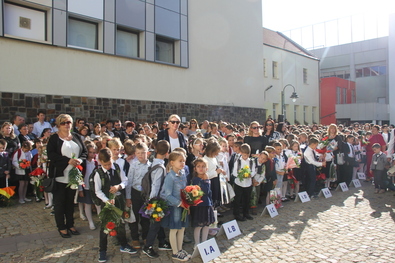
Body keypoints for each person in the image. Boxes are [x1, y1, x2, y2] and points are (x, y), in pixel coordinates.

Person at [47, 114, 87, 238]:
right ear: (59, 125)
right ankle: (61, 226)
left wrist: (80, 160)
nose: (66, 124)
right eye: (63, 122)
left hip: (73, 176)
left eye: (68, 122)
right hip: (60, 175)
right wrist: (67, 161)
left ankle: (70, 224)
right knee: (60, 202)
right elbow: (51, 155)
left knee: (70, 202)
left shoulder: (76, 137)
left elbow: (84, 152)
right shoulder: (54, 138)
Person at [93, 148, 136, 262]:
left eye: (109, 164)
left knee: (121, 224)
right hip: (107, 204)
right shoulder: (98, 174)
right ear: (100, 162)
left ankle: (124, 244)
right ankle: (102, 250)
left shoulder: (116, 168)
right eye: (105, 165)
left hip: (119, 201)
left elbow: (125, 180)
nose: (108, 166)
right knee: (105, 227)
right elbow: (97, 191)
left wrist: (119, 186)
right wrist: (107, 200)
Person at [142, 140, 172, 258]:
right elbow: (155, 185)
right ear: (167, 153)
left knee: (158, 223)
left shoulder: (153, 162)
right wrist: (152, 202)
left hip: (154, 198)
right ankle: (148, 246)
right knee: (155, 224)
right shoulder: (160, 167)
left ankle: (161, 241)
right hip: (156, 200)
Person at [160, 151, 191, 261]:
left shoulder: (182, 173)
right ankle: (175, 252)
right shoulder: (170, 177)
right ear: (172, 163)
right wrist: (179, 203)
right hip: (175, 207)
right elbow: (167, 195)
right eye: (180, 161)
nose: (182, 163)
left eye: (183, 161)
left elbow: (185, 189)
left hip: (183, 205)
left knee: (182, 228)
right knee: (174, 229)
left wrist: (188, 201)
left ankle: (180, 248)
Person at [125, 142, 151, 249]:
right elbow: (129, 181)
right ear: (135, 153)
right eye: (138, 153)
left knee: (145, 217)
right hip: (135, 192)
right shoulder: (133, 165)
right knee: (134, 217)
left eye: (143, 153)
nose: (141, 155)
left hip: (146, 194)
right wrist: (128, 197)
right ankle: (135, 238)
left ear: (147, 153)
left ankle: (145, 236)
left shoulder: (151, 166)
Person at [190, 158, 215, 247]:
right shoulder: (196, 180)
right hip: (199, 205)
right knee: (199, 225)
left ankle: (204, 242)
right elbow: (205, 191)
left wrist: (211, 204)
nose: (201, 168)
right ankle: (197, 243)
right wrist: (206, 181)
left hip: (207, 204)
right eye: (199, 166)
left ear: (206, 169)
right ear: (195, 168)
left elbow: (210, 193)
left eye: (203, 166)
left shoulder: (205, 178)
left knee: (206, 225)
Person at [77, 143, 99, 230]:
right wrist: (80, 188)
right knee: (88, 204)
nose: (92, 154)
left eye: (94, 152)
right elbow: (79, 176)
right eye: (90, 152)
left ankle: (101, 219)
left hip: (95, 187)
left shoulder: (96, 162)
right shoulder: (83, 163)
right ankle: (90, 221)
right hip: (86, 186)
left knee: (98, 204)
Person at [232, 143, 256, 221]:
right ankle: (237, 214)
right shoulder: (238, 161)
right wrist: (241, 175)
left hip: (248, 183)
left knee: (247, 199)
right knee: (238, 200)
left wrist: (250, 175)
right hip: (239, 183)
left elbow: (253, 171)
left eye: (247, 155)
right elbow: (234, 172)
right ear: (241, 153)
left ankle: (246, 213)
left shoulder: (251, 161)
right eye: (244, 155)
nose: (245, 157)